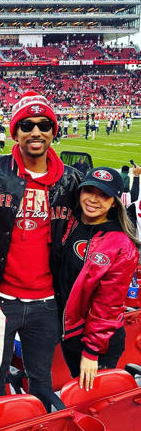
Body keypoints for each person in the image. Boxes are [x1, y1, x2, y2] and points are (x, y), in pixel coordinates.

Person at [0, 91, 82, 408]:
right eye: (27, 125)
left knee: (42, 382)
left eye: (44, 125)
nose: (36, 132)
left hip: (47, 303)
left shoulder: (72, 182)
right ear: (14, 132)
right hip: (1, 301)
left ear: (52, 132)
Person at [56, 167, 139, 391]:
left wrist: (91, 351)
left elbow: (108, 306)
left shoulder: (122, 245)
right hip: (70, 334)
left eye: (103, 194)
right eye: (89, 191)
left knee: (91, 401)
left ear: (114, 202)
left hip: (98, 342)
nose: (94, 199)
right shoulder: (70, 223)